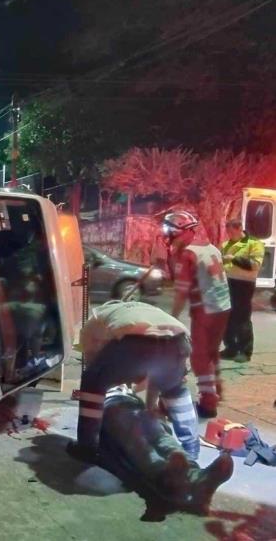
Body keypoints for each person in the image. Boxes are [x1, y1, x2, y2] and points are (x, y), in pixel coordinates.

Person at [68, 300, 199, 464]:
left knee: (91, 381)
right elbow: (156, 375)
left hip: (136, 346)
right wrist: (150, 407)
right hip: (178, 343)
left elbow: (91, 360)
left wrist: (105, 383)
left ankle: (87, 447)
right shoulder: (149, 308)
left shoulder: (96, 319)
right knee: (175, 391)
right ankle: (191, 449)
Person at [98, 386, 234, 513]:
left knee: (160, 435)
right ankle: (167, 475)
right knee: (138, 441)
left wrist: (150, 408)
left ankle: (197, 479)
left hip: (133, 405)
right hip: (110, 408)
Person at [165, 211, 231, 419]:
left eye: (171, 231)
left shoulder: (187, 254)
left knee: (199, 357)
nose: (169, 235)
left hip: (206, 309)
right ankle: (217, 390)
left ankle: (208, 402)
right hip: (223, 307)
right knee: (212, 352)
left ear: (181, 231)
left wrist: (171, 319)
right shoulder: (210, 248)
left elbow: (181, 291)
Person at [220, 218, 264, 363]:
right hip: (227, 283)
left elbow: (254, 265)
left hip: (244, 285)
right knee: (227, 317)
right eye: (227, 232)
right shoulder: (225, 244)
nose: (229, 234)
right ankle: (231, 348)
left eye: (231, 231)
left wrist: (233, 258)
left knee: (242, 318)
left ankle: (245, 351)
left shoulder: (254, 244)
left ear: (240, 228)